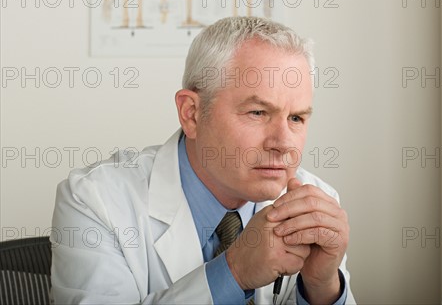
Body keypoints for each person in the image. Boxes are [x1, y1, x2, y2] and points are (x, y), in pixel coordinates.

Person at [51, 17, 355, 304]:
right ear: (191, 114)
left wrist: (322, 287)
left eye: (297, 118)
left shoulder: (316, 203)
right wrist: (234, 273)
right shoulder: (94, 200)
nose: (284, 144)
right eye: (258, 113)